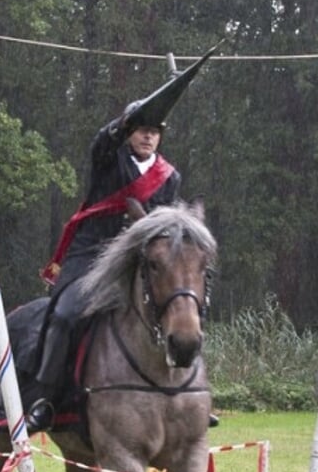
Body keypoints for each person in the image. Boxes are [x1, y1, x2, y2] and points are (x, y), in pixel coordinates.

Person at [25, 49, 216, 433]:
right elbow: (103, 139)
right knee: (64, 315)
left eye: (154, 130)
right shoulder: (108, 159)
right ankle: (44, 398)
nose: (148, 135)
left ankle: (191, 395)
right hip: (91, 258)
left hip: (138, 263)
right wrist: (123, 121)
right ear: (129, 132)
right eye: (141, 128)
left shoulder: (170, 177)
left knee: (183, 307)